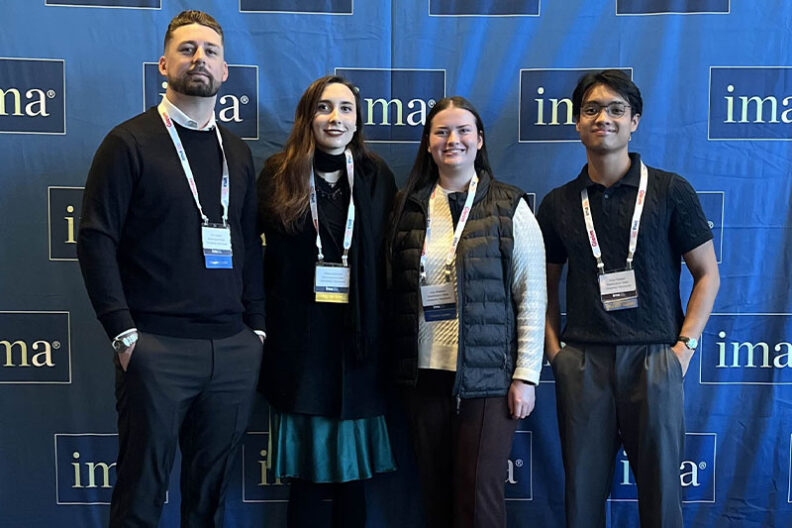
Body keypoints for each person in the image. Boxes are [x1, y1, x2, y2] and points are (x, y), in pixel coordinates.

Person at [76, 11, 265, 527]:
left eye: (210, 50)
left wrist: (258, 331)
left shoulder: (239, 154)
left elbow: (250, 244)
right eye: (187, 49)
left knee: (209, 497)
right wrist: (123, 335)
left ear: (226, 71)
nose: (198, 58)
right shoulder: (129, 142)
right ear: (164, 64)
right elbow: (95, 240)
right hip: (155, 346)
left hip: (232, 349)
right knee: (141, 492)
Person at [536, 70, 720, 528]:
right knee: (581, 500)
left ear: (634, 120)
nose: (604, 118)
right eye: (592, 109)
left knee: (662, 501)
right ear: (577, 122)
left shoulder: (670, 190)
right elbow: (542, 285)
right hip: (584, 364)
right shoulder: (559, 203)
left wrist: (682, 351)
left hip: (655, 359)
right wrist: (556, 354)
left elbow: (708, 275)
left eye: (616, 109)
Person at [388, 96, 546, 528]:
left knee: (478, 500)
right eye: (441, 131)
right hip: (423, 378)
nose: (452, 139)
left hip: (488, 380)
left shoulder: (508, 205)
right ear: (427, 144)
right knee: (435, 497)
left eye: (462, 131)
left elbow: (531, 295)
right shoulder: (408, 207)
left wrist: (525, 376)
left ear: (479, 140)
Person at [256, 75, 397, 527]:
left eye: (346, 109)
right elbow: (259, 265)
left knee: (351, 480)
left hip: (359, 347)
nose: (335, 118)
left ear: (358, 121)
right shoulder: (279, 174)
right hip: (299, 345)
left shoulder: (377, 176)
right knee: (306, 481)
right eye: (324, 108)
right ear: (307, 117)